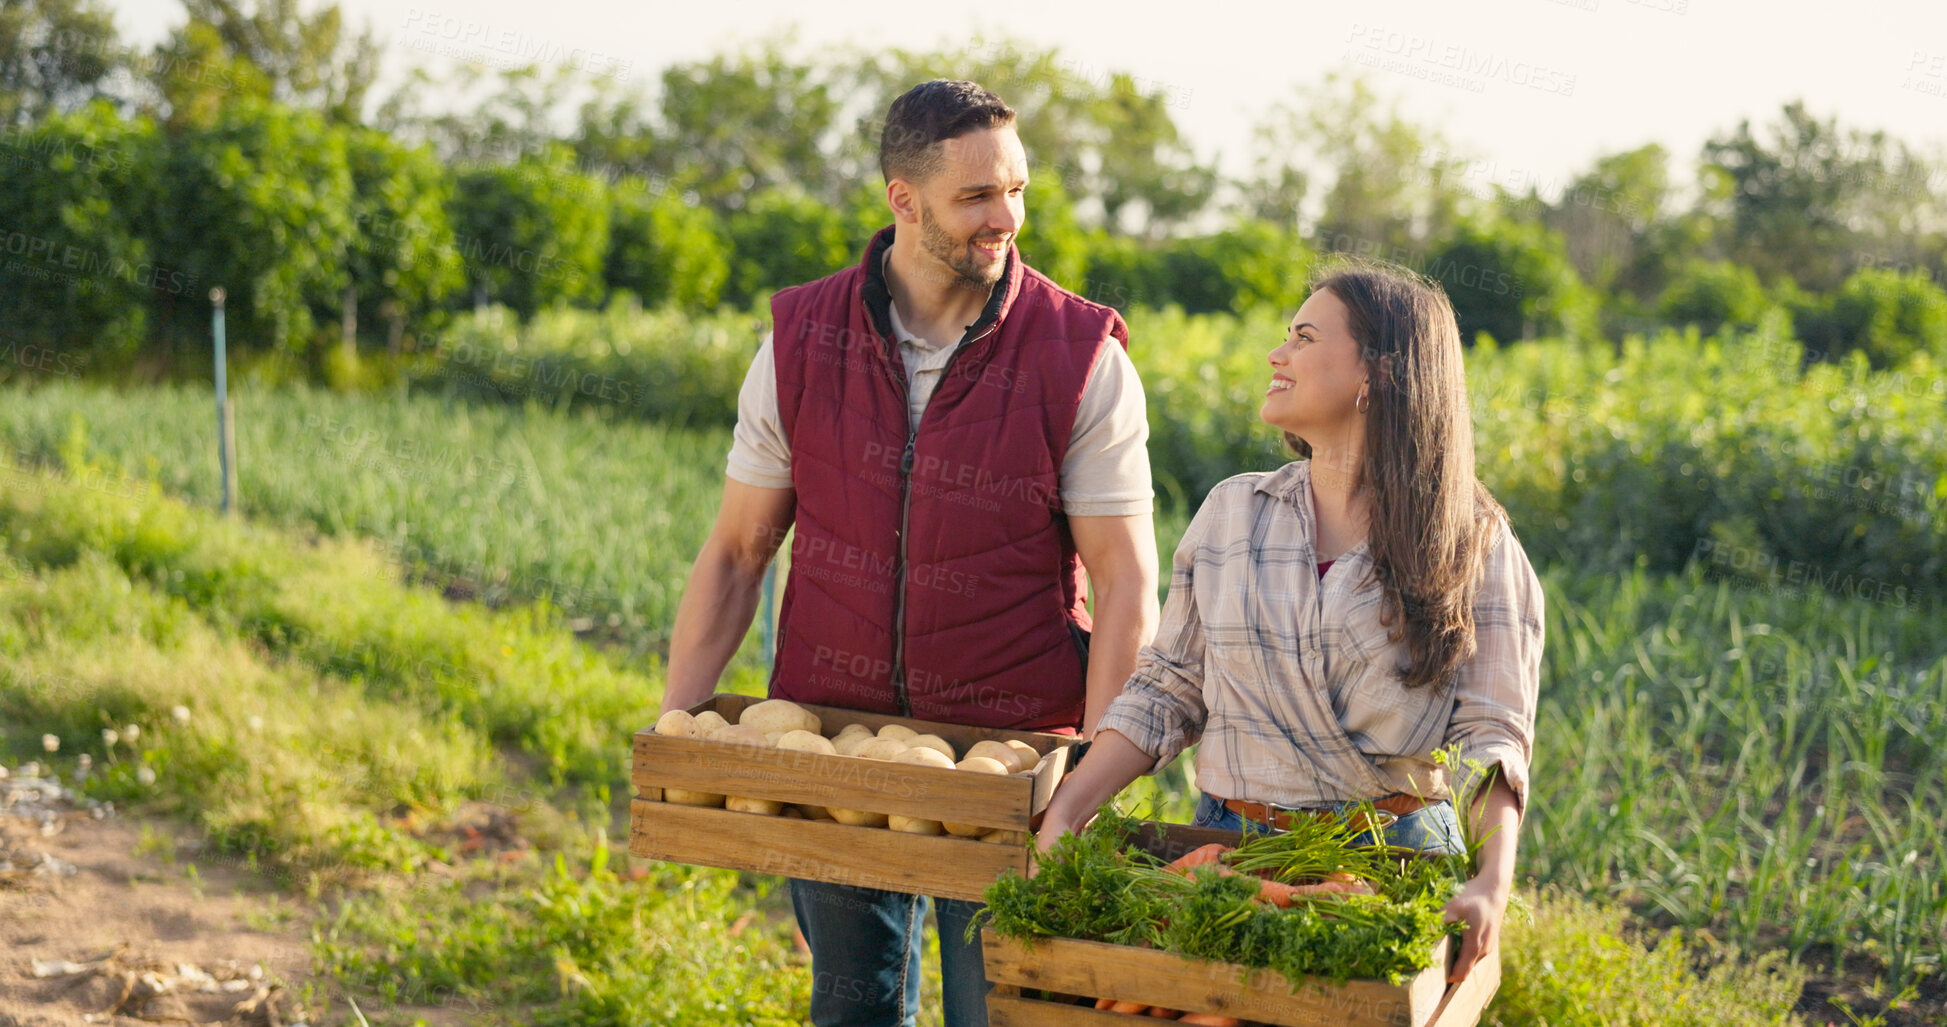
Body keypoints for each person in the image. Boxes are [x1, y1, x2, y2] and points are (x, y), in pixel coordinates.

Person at [657, 79, 1159, 1027]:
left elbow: (1130, 581)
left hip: (1013, 766)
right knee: (852, 1013)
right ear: (902, 197)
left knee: (1000, 1014)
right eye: (976, 197)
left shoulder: (1080, 353)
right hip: (827, 743)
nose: (1004, 217)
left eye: (1016, 190)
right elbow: (735, 552)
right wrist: (679, 732)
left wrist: (1084, 783)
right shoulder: (798, 341)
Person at [1038, 261, 1544, 985]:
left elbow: (1491, 739)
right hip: (1222, 860)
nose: (1277, 356)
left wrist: (1491, 878)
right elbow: (1166, 689)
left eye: (1303, 337)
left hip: (1388, 869)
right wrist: (1069, 807)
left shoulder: (1474, 543)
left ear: (1379, 372)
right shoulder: (1231, 515)